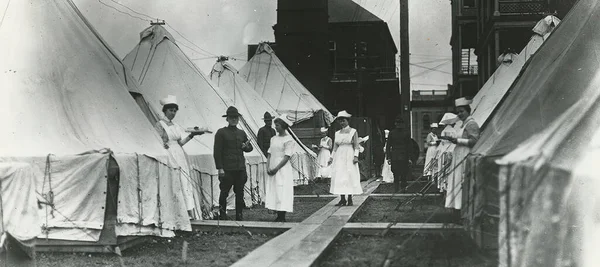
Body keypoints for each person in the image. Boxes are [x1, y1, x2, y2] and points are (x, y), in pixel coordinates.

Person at [155, 95, 206, 219]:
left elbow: (180, 143)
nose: (172, 113)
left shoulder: (176, 126)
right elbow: (157, 140)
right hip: (169, 154)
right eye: (170, 110)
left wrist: (192, 136)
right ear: (165, 110)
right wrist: (163, 145)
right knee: (174, 180)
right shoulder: (160, 125)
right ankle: (176, 213)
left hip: (179, 154)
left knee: (184, 181)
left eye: (174, 110)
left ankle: (189, 213)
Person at [440, 97, 480, 214]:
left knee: (462, 180)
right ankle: (457, 208)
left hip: (465, 154)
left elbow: (474, 141)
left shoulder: (471, 124)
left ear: (468, 111)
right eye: (458, 112)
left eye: (462, 111)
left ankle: (463, 209)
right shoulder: (463, 125)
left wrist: (457, 141)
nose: (460, 114)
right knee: (456, 180)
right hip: (458, 154)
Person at [214, 106, 254, 221]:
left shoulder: (241, 133)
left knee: (240, 192)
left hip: (240, 168)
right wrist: (220, 168)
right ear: (227, 119)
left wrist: (246, 147)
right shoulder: (221, 132)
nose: (234, 119)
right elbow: (217, 152)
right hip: (227, 169)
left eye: (236, 117)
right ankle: (222, 215)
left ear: (238, 119)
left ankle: (239, 216)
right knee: (224, 192)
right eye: (231, 117)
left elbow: (249, 148)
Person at [328, 110, 362, 206]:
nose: (342, 123)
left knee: (349, 175)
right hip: (339, 156)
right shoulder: (337, 133)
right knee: (340, 175)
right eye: (340, 121)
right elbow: (335, 147)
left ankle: (350, 198)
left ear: (347, 121)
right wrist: (331, 157)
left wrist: (356, 156)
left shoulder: (353, 131)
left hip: (349, 154)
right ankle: (342, 199)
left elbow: (356, 145)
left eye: (343, 121)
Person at [265, 115, 296, 222]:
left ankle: (282, 215)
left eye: (277, 125)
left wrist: (276, 168)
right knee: (274, 189)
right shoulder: (273, 138)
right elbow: (269, 153)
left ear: (283, 126)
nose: (276, 127)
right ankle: (277, 213)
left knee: (282, 189)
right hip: (273, 165)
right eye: (275, 125)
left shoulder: (289, 140)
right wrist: (268, 166)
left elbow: (287, 156)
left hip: (282, 168)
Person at [386, 115, 412, 192]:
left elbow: (388, 146)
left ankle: (396, 190)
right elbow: (409, 146)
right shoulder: (406, 133)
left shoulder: (392, 133)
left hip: (395, 156)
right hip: (404, 156)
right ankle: (403, 190)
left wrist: (389, 157)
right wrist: (410, 157)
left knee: (396, 174)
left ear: (395, 124)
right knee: (403, 174)